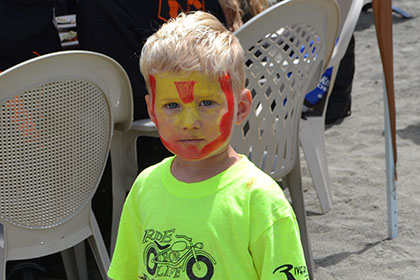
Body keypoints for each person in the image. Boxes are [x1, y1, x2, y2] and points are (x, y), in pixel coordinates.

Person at [108, 11, 308, 280]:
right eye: (171, 105)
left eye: (206, 103)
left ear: (241, 108)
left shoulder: (259, 199)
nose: (189, 121)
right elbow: (126, 272)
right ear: (152, 111)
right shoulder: (144, 187)